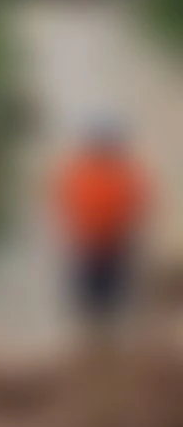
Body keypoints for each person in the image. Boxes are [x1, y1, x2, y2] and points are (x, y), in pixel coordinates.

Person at [53, 119, 149, 331]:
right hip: (90, 243)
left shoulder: (122, 173)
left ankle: (104, 335)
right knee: (92, 299)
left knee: (110, 297)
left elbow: (137, 204)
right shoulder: (81, 172)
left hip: (113, 242)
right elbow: (66, 203)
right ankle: (95, 336)